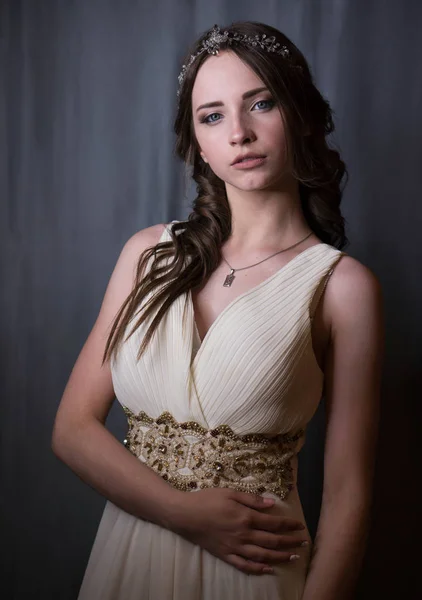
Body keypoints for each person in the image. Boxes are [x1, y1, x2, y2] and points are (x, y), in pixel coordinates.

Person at [52, 20, 384, 600]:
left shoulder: (343, 287)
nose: (239, 133)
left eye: (261, 104)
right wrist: (183, 513)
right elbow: (73, 430)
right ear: (196, 143)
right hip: (128, 563)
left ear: (300, 114)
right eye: (212, 115)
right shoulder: (147, 255)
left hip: (254, 577)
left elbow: (348, 498)